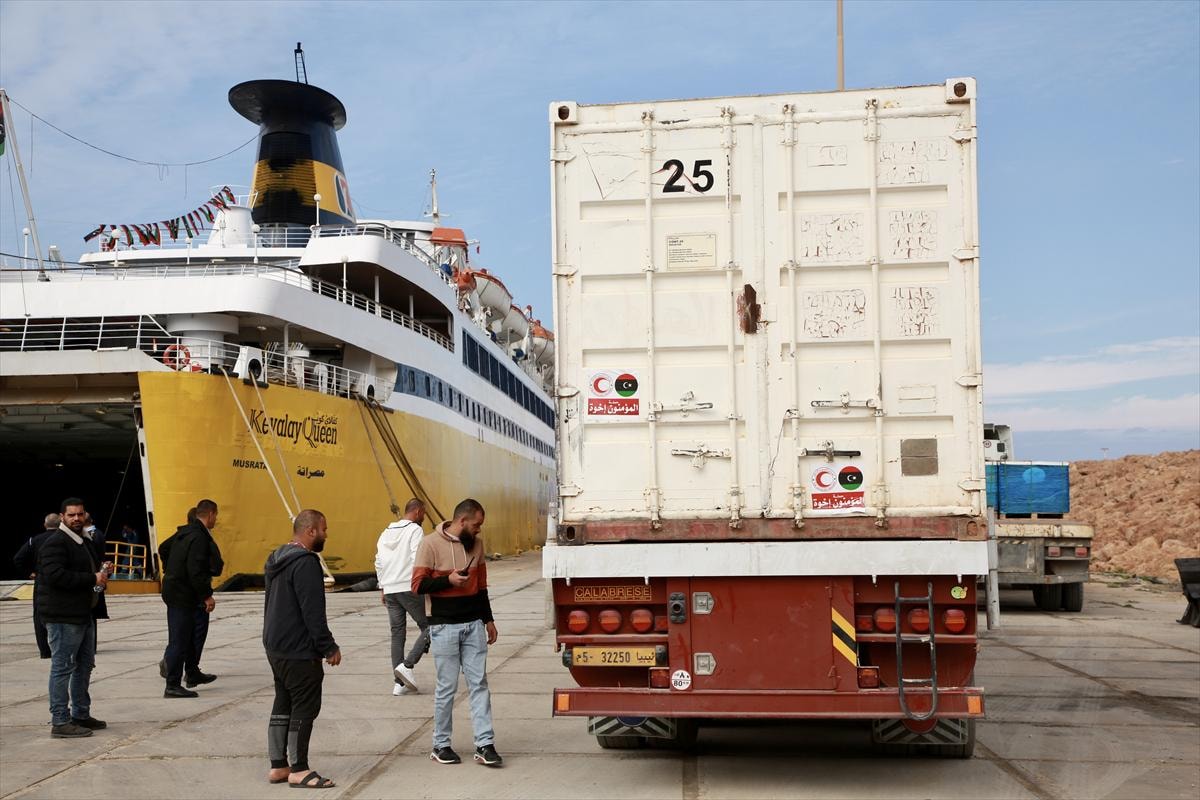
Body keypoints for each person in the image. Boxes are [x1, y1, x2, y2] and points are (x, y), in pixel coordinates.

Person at [413, 498, 502, 767]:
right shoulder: (429, 544)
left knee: (479, 685)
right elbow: (417, 585)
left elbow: (482, 586)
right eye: (476, 525)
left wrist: (488, 620)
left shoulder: (477, 545)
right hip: (443, 626)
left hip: (474, 625)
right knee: (446, 688)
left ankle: (485, 744)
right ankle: (440, 745)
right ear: (462, 521)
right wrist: (448, 580)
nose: (479, 530)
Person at [263, 509, 341, 789]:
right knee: (305, 707)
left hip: (275, 646)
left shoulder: (275, 558)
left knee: (283, 702)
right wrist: (328, 647)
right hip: (298, 649)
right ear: (311, 531)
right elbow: (313, 612)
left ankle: (278, 765)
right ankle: (298, 769)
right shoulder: (306, 563)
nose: (326, 535)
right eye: (324, 529)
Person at [36, 498, 109, 738]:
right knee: (62, 668)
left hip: (83, 614)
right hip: (63, 617)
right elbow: (55, 576)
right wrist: (92, 578)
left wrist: (101, 576)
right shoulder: (56, 542)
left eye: (80, 514)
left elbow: (89, 579)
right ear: (62, 517)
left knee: (85, 665)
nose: (76, 518)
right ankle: (60, 721)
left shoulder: (84, 541)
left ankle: (80, 714)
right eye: (71, 515)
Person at [158, 499, 222, 697]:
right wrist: (207, 596)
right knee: (179, 640)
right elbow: (196, 571)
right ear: (210, 514)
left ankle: (192, 673)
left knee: (191, 634)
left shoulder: (185, 532)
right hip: (182, 594)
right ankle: (172, 685)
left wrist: (171, 569)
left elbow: (163, 548)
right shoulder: (199, 537)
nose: (216, 520)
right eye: (216, 516)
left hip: (179, 591)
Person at [375, 498, 430, 696]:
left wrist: (383, 586)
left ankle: (399, 684)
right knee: (432, 625)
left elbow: (378, 561)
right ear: (418, 512)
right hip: (409, 586)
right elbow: (418, 559)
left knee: (397, 634)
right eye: (423, 514)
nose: (423, 518)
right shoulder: (415, 530)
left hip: (390, 589)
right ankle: (407, 665)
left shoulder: (385, 532)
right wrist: (426, 584)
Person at [13, 513, 60, 658]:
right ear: (60, 524)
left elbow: (18, 559)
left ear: (45, 525)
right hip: (62, 581)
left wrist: (30, 572)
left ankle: (44, 651)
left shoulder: (34, 540)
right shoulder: (65, 539)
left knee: (39, 616)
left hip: (41, 582)